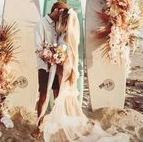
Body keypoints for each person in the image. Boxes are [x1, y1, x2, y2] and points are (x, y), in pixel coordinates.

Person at [40, 8, 130, 142]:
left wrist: (56, 57)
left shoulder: (65, 36)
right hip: (64, 69)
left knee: (64, 96)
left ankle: (66, 122)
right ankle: (67, 120)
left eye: (60, 21)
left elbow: (67, 56)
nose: (58, 23)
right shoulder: (66, 35)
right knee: (65, 97)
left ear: (64, 22)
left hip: (64, 70)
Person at [31, 1, 69, 139]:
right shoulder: (41, 23)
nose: (63, 16)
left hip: (58, 67)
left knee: (57, 95)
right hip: (45, 67)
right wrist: (51, 57)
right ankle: (39, 125)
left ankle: (56, 123)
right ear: (57, 10)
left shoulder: (60, 25)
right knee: (43, 96)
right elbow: (38, 48)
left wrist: (60, 57)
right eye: (62, 13)